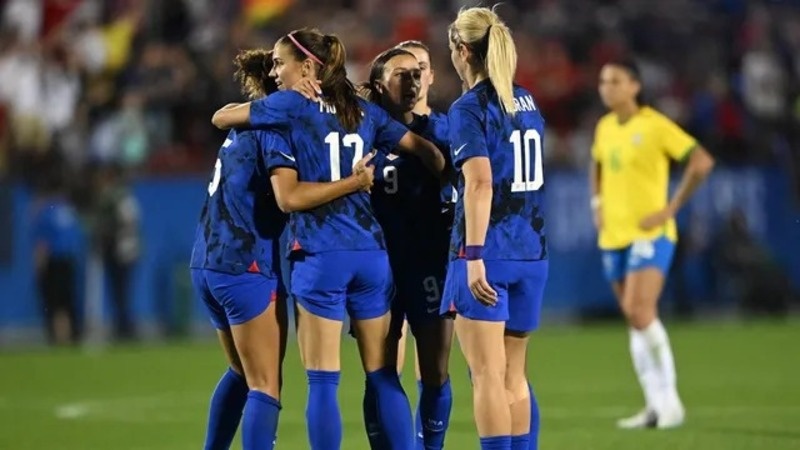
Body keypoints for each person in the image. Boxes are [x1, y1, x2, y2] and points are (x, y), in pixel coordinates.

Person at [211, 28, 446, 450]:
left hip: (320, 253)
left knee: (323, 381)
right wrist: (443, 178)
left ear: (307, 66)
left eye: (281, 63)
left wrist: (273, 100)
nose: (274, 70)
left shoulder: (290, 105)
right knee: (383, 374)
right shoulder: (363, 110)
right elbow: (423, 150)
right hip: (371, 255)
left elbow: (222, 117)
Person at [192, 48, 375, 450]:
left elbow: (221, 114)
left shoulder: (250, 116)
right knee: (265, 386)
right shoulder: (278, 126)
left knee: (241, 372)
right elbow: (289, 197)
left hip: (207, 261)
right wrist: (353, 182)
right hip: (246, 263)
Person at [441, 7, 548, 450]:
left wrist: (473, 255)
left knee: (485, 374)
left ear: (462, 50)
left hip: (490, 254)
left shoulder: (469, 108)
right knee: (513, 373)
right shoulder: (527, 100)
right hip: (532, 253)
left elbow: (480, 182)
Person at [589, 60, 715, 429]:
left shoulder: (655, 125)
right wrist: (596, 204)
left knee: (639, 309)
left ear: (634, 86)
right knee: (634, 318)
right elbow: (595, 166)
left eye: (614, 81)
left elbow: (701, 162)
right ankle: (655, 405)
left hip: (651, 233)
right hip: (613, 234)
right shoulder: (604, 126)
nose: (605, 87)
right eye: (602, 81)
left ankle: (670, 402)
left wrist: (670, 209)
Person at [359, 47, 453, 450]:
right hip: (378, 266)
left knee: (435, 371)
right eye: (403, 73)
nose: (413, 80)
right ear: (381, 83)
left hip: (429, 263)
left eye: (420, 71)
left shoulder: (446, 131)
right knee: (379, 369)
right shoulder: (360, 130)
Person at [32, 173, 82, 346]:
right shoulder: (69, 210)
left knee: (52, 302)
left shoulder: (45, 212)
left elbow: (42, 244)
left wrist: (39, 267)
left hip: (53, 261)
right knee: (68, 300)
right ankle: (74, 335)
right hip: (70, 260)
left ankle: (56, 338)